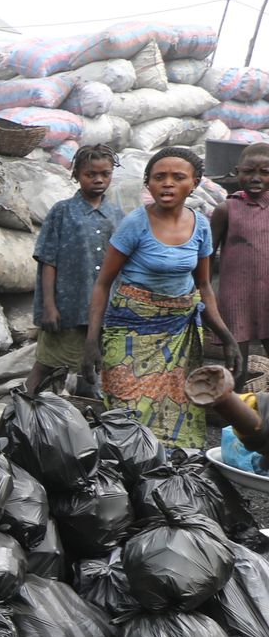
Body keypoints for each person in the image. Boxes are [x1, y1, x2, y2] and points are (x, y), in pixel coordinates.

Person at [81, 147, 241, 449]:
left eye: (177, 177)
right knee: (126, 408)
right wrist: (92, 340)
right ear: (148, 184)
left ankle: (165, 477)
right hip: (130, 329)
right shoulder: (135, 224)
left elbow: (204, 286)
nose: (167, 183)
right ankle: (123, 472)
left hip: (177, 332)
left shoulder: (201, 225)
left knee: (172, 408)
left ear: (194, 183)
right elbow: (103, 283)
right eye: (159, 177)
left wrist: (225, 336)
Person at [26, 144, 122, 393]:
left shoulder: (116, 214)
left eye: (105, 174)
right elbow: (48, 260)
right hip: (68, 308)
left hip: (102, 311)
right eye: (91, 174)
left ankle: (84, 426)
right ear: (77, 175)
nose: (99, 180)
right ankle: (21, 415)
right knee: (46, 366)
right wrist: (49, 306)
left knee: (93, 371)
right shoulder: (63, 211)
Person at [213, 142, 269, 361]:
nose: (256, 178)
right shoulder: (227, 209)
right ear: (237, 172)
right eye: (248, 172)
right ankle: (236, 394)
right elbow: (207, 255)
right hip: (236, 296)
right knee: (236, 363)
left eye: (265, 173)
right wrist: (204, 292)